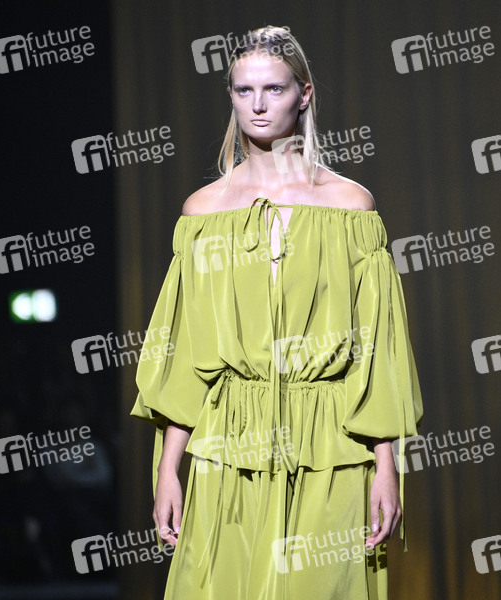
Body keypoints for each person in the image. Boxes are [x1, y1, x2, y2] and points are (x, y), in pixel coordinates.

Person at [131, 25, 423, 599]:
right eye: (244, 90)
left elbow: (377, 348)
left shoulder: (350, 206)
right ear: (231, 97)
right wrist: (168, 469)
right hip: (228, 445)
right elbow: (184, 351)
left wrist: (386, 466)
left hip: (331, 446)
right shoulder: (202, 213)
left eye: (274, 89)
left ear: (304, 94)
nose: (258, 104)